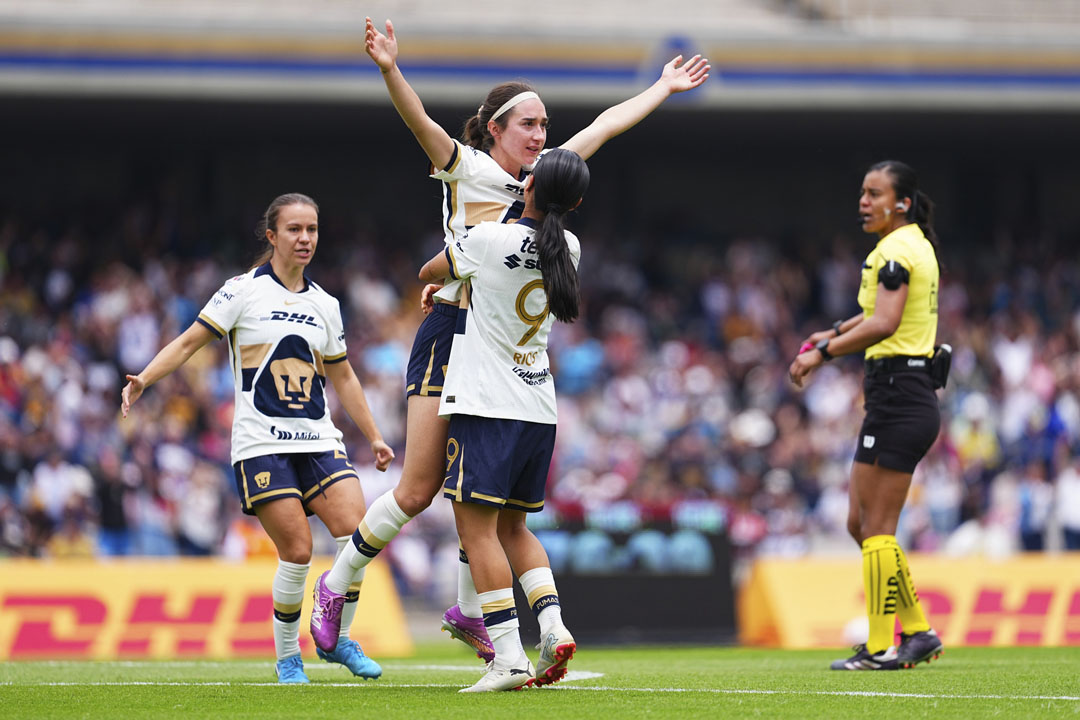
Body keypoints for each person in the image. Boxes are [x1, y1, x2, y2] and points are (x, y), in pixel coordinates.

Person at [310, 16, 710, 663]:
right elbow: (421, 126)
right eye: (528, 123)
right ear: (494, 128)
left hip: (498, 346)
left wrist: (661, 88)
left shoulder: (545, 181)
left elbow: (606, 125)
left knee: (483, 497)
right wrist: (389, 68)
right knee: (419, 489)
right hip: (452, 333)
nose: (541, 134)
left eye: (546, 126)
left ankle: (473, 615)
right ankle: (337, 586)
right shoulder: (466, 168)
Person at [121, 193, 394, 684]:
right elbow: (188, 342)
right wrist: (143, 378)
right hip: (261, 442)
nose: (305, 238)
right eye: (293, 229)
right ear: (271, 236)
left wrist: (373, 435)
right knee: (296, 551)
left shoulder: (326, 304)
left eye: (311, 229)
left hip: (317, 438)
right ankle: (289, 658)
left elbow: (345, 377)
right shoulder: (240, 292)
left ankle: (337, 637)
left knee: (358, 532)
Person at [436, 147, 588, 691]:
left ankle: (507, 658)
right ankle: (552, 625)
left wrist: (445, 283)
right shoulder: (568, 246)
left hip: (486, 404)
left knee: (476, 532)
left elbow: (431, 272)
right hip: (537, 407)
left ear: (527, 187)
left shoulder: (486, 239)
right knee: (515, 527)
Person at [788, 161, 945, 671]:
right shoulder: (909, 243)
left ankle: (882, 647)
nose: (863, 201)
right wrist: (830, 334)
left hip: (902, 394)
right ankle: (917, 631)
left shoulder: (896, 250)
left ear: (901, 202)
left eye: (874, 193)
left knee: (877, 526)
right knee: (860, 522)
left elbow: (884, 321)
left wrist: (822, 354)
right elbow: (872, 313)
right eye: (862, 192)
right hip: (895, 395)